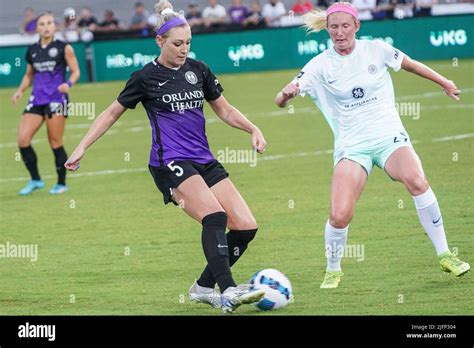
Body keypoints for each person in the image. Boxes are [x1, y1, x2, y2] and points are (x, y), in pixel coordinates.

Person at [64, 0, 267, 313]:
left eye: (187, 42)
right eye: (177, 44)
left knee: (246, 227)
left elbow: (223, 108)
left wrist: (252, 128)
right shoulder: (145, 77)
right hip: (168, 161)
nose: (184, 49)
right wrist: (82, 146)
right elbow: (111, 113)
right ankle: (228, 289)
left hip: (203, 159)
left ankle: (202, 287)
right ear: (159, 41)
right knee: (215, 217)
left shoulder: (198, 70)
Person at [275, 2, 470, 289]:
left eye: (345, 26)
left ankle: (445, 254)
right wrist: (286, 94)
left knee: (417, 180)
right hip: (352, 145)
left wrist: (444, 81)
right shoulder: (320, 64)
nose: (339, 32)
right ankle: (333, 269)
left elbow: (411, 65)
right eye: (333, 27)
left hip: (388, 135)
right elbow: (280, 99)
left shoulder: (376, 49)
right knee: (340, 215)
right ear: (327, 29)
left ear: (356, 26)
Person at [11, 12, 80, 195]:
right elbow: (28, 75)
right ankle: (35, 180)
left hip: (57, 100)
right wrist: (20, 91)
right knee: (23, 140)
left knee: (55, 142)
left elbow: (75, 71)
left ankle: (61, 183)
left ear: (54, 26)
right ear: (37, 28)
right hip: (36, 99)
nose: (46, 26)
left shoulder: (64, 48)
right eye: (42, 24)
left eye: (50, 22)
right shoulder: (32, 50)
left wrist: (68, 84)